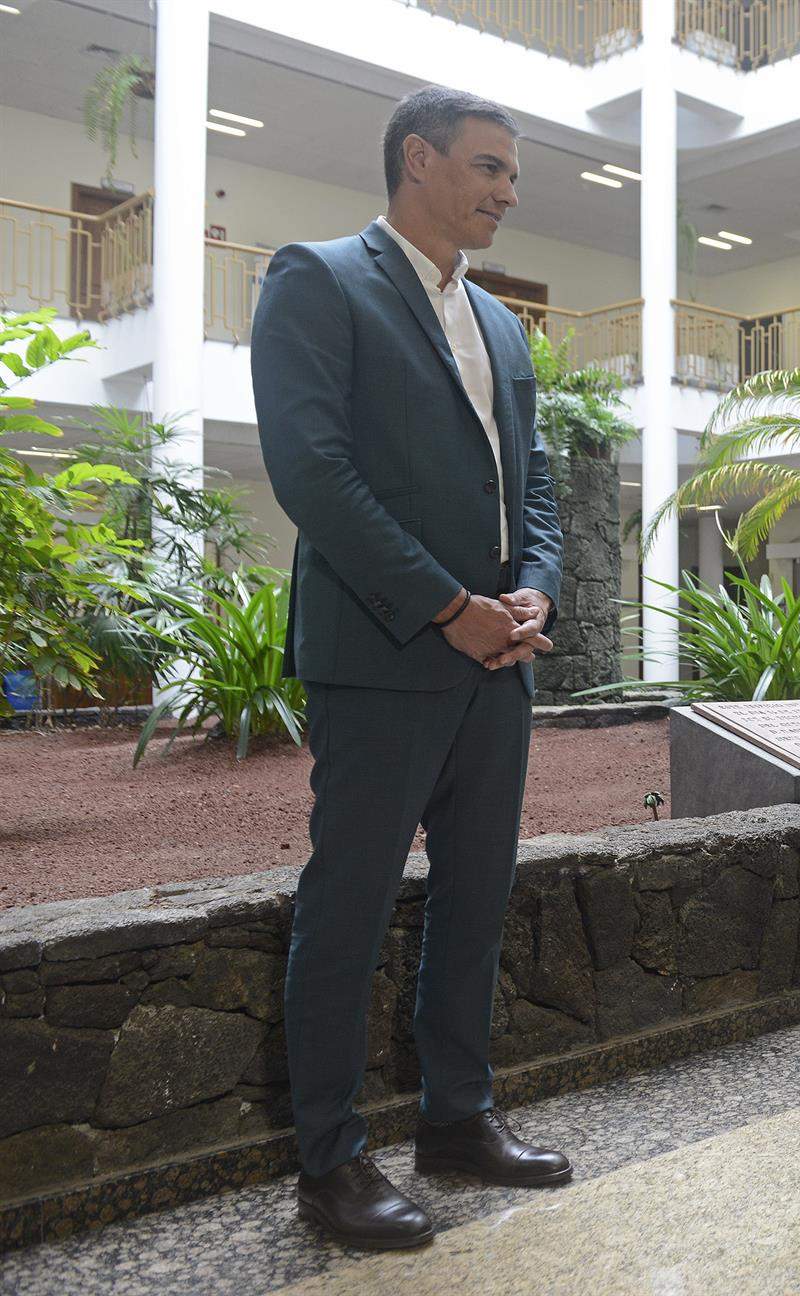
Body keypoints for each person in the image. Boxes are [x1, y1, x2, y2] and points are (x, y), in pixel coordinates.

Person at [252, 86, 568, 1249]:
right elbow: (312, 473)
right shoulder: (317, 278)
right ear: (419, 161)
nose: (507, 191)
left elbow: (531, 483)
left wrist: (533, 584)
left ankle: (457, 1119)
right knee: (349, 908)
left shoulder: (500, 322)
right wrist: (447, 608)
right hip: (383, 660)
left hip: (500, 662)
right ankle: (330, 1163)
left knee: (476, 905)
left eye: (511, 173)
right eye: (489, 167)